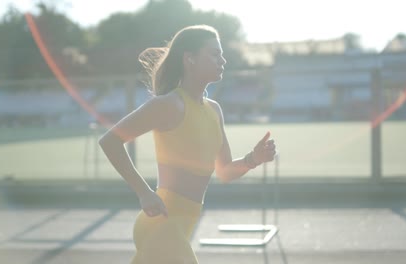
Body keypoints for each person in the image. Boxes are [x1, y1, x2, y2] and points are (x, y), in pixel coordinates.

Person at [98, 24, 277, 264]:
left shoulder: (214, 110)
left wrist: (253, 159)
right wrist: (144, 193)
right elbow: (110, 141)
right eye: (214, 54)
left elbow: (224, 171)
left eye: (222, 54)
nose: (222, 60)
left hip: (182, 225)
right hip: (162, 223)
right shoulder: (169, 104)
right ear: (190, 59)